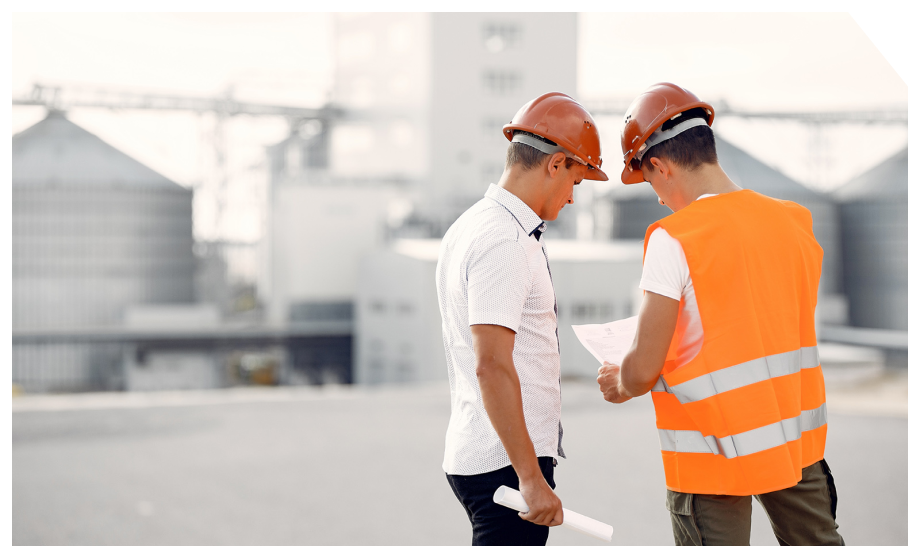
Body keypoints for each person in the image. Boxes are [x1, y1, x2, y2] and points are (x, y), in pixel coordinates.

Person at [597, 82, 845, 546]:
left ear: (658, 165)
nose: (656, 197)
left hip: (710, 454)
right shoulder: (794, 222)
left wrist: (622, 381)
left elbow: (644, 368)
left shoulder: (675, 239)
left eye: (650, 182)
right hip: (796, 444)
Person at [436, 92, 608, 545]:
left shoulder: (473, 225)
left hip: (492, 453)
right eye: (577, 180)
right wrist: (530, 478)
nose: (573, 198)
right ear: (556, 165)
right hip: (505, 463)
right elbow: (491, 364)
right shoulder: (504, 242)